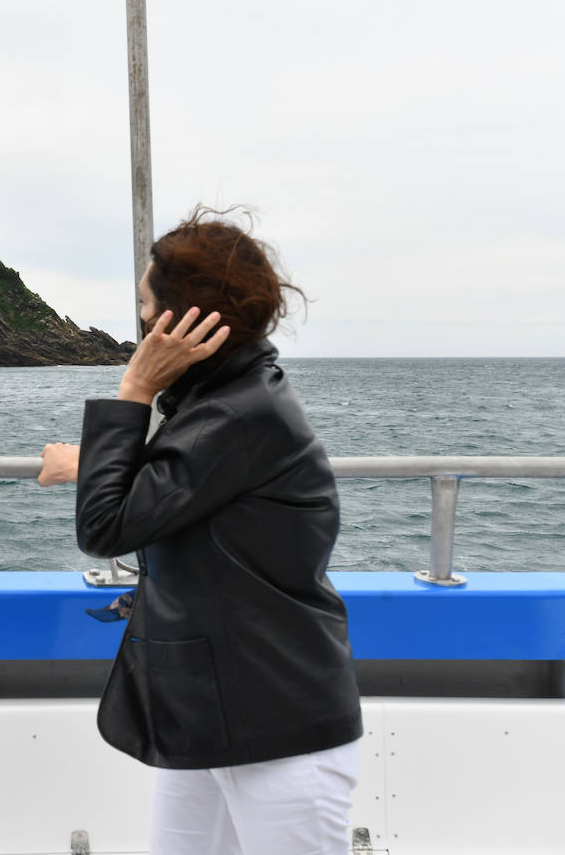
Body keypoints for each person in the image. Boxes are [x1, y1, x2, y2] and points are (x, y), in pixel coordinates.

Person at [39, 208, 362, 855]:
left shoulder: (239, 417)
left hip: (276, 723)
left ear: (177, 322)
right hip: (215, 705)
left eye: (141, 307)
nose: (136, 325)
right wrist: (99, 461)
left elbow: (106, 525)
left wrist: (133, 389)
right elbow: (180, 486)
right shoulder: (227, 403)